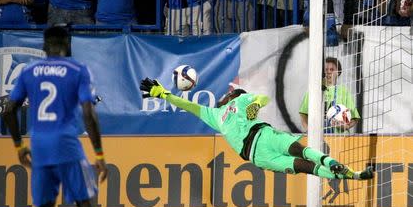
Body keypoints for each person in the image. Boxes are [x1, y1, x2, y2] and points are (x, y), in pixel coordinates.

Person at [0, 26, 107, 207]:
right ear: (68, 44)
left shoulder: (28, 71)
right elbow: (89, 113)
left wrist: (19, 147)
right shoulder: (78, 70)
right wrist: (99, 153)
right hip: (66, 143)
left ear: (45, 46)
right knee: (86, 205)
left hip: (39, 144)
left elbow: (8, 110)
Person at [140, 77, 374, 181]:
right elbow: (189, 106)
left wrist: (253, 105)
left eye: (227, 93)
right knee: (305, 167)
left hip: (266, 134)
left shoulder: (240, 99)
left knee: (300, 150)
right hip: (257, 155)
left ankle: (338, 166)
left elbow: (262, 98)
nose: (223, 96)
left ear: (233, 94)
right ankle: (352, 176)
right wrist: (165, 94)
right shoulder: (214, 115)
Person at [299, 57, 360, 133]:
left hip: (339, 138)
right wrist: (308, 130)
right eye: (326, 70)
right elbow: (303, 113)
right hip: (318, 137)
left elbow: (355, 118)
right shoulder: (314, 90)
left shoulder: (343, 91)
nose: (328, 72)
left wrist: (345, 126)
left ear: (338, 72)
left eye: (332, 69)